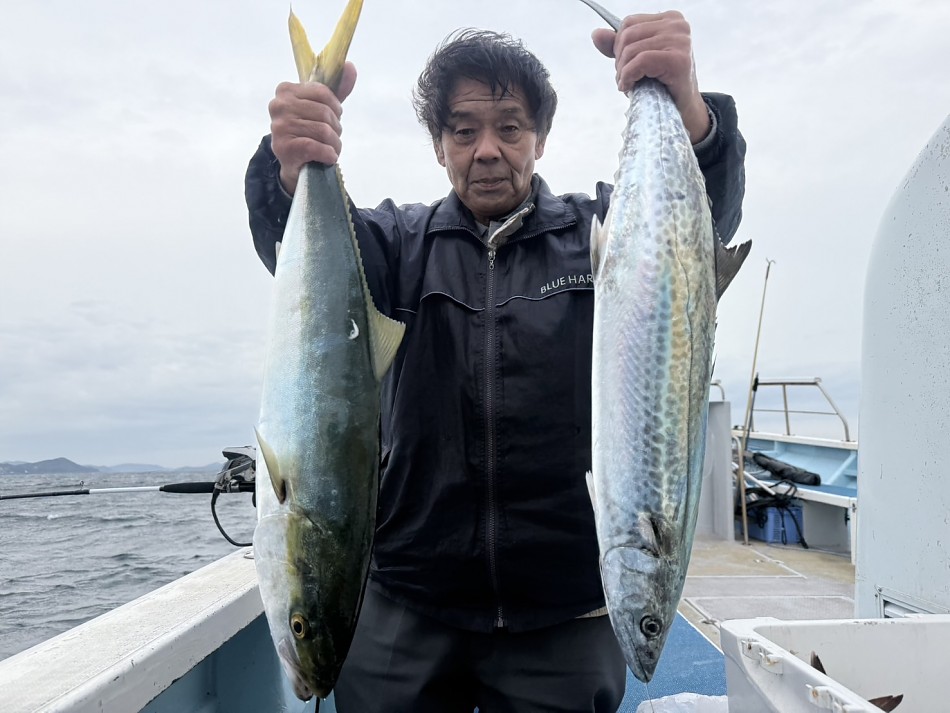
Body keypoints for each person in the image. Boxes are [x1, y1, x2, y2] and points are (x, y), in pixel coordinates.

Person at [245, 11, 745, 713]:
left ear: (539, 138)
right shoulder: (394, 245)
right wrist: (288, 166)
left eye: (510, 127)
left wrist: (691, 112)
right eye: (463, 130)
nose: (487, 150)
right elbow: (300, 258)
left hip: (562, 613)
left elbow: (696, 230)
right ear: (439, 145)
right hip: (408, 600)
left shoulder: (600, 235)